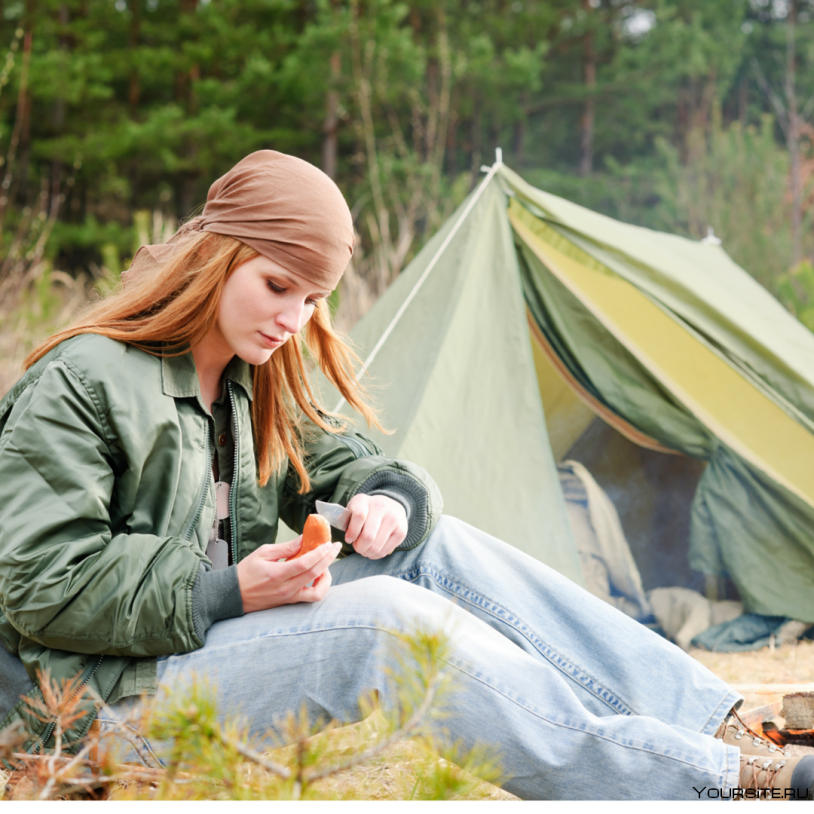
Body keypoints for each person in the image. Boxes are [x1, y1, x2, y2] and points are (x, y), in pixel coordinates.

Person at [0, 151, 811, 801]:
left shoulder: (257, 377)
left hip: (202, 648)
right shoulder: (85, 380)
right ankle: (713, 787)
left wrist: (389, 501)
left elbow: (350, 462)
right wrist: (231, 590)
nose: (293, 319)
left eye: (314, 298)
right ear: (215, 257)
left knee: (433, 546)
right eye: (277, 285)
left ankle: (727, 725)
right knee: (384, 623)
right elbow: (38, 584)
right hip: (92, 706)